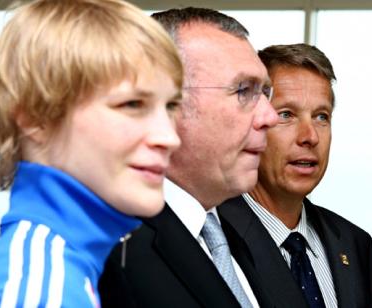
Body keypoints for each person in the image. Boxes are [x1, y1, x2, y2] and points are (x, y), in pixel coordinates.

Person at [0, 0, 183, 306]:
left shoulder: (59, 268)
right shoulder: (40, 290)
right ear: (36, 118)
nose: (169, 138)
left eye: (170, 106)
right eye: (131, 104)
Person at [99, 7, 278, 308]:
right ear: (163, 101)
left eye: (265, 93)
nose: (270, 117)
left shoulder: (243, 238)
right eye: (244, 91)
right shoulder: (109, 254)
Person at [218, 43, 372, 308]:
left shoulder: (355, 243)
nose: (310, 136)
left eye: (321, 116)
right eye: (286, 115)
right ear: (252, 123)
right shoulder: (213, 235)